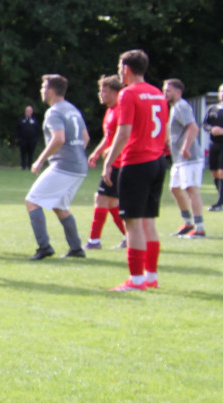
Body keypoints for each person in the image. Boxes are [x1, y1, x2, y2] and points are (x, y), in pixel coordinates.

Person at [99, 49, 169, 292]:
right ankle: (151, 276)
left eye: (120, 68)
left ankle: (136, 280)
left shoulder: (128, 94)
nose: (119, 72)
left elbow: (124, 132)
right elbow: (164, 132)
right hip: (158, 160)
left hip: (137, 162)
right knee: (148, 221)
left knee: (132, 223)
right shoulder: (158, 93)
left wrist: (109, 161)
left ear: (127, 69)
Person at [25, 75, 90, 260]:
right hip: (79, 166)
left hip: (64, 165)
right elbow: (85, 138)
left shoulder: (54, 112)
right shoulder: (73, 109)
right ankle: (76, 248)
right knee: (60, 205)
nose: (41, 91)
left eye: (43, 87)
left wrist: (40, 160)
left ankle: (44, 247)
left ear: (51, 91)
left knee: (32, 200)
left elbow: (59, 138)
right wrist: (76, 153)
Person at [84, 75, 129, 250]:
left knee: (101, 198)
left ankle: (94, 241)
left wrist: (111, 153)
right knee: (111, 203)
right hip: (113, 161)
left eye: (105, 91)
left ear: (116, 93)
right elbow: (109, 136)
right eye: (100, 90)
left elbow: (124, 136)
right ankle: (128, 236)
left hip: (119, 163)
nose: (101, 94)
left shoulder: (120, 110)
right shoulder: (110, 110)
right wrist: (97, 151)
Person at [163, 79, 206, 239]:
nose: (165, 93)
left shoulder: (181, 106)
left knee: (191, 189)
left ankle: (200, 228)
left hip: (189, 157)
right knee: (174, 188)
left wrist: (185, 147)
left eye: (168, 90)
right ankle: (188, 223)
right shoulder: (174, 108)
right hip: (179, 159)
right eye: (164, 90)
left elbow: (193, 127)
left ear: (178, 92)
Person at [16, 105, 41, 170]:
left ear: (32, 112)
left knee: (31, 154)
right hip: (23, 140)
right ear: (25, 111)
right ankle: (23, 167)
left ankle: (30, 166)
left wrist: (36, 139)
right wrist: (18, 139)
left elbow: (37, 129)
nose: (28, 112)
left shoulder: (34, 120)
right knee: (23, 154)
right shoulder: (21, 120)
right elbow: (17, 129)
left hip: (32, 140)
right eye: (27, 111)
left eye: (30, 111)